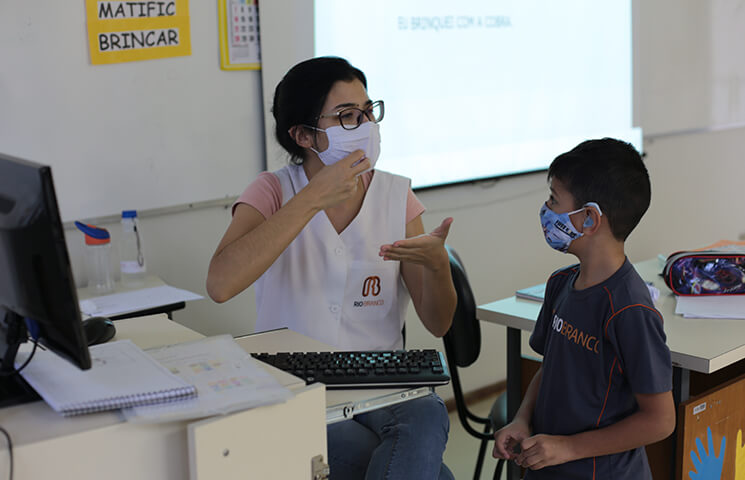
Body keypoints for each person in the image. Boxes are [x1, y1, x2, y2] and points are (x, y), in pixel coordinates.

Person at [206, 56, 457, 480]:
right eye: (346, 116)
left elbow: (438, 321)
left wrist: (437, 267)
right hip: (296, 385)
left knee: (428, 415)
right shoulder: (272, 190)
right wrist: (312, 198)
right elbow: (220, 284)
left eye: (367, 111)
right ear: (304, 135)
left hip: (382, 382)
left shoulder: (396, 195)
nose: (365, 125)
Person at [492, 138, 676, 478]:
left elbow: (660, 420)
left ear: (589, 218)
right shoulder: (561, 284)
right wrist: (522, 419)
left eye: (553, 200)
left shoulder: (630, 310)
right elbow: (552, 368)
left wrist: (569, 448)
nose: (546, 209)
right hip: (549, 468)